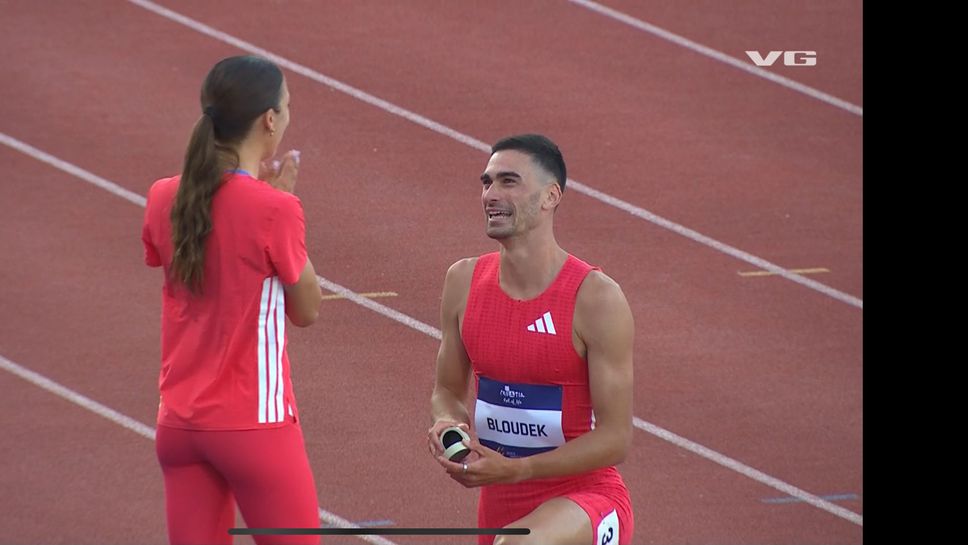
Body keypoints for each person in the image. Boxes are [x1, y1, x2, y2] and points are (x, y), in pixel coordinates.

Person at [141, 55, 323, 545]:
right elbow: (307, 310)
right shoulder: (276, 208)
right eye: (286, 109)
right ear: (269, 120)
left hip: (178, 423)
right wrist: (280, 210)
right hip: (253, 426)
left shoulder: (163, 197)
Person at [427, 134, 635, 545]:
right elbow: (447, 390)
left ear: (550, 196)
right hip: (500, 503)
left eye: (508, 181)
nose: (491, 194)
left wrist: (519, 469)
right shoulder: (462, 282)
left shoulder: (595, 298)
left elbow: (615, 440)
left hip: (584, 499)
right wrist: (448, 423)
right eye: (486, 182)